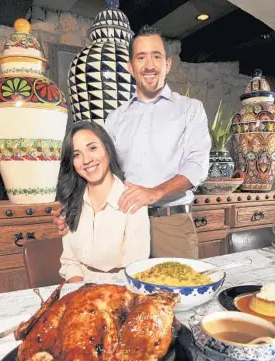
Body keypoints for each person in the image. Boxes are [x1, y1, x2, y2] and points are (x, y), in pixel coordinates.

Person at [54, 25, 211, 259]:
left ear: (167, 64)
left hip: (172, 225)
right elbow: (101, 171)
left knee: (177, 294)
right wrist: (74, 208)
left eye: (156, 56)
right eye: (141, 57)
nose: (149, 65)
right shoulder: (115, 118)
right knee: (124, 293)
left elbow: (197, 166)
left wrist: (155, 193)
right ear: (130, 67)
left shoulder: (190, 109)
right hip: (122, 224)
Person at [56, 120, 150, 283]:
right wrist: (80, 291)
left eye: (92, 148)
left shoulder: (133, 201)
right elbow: (70, 263)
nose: (86, 160)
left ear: (107, 148)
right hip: (79, 287)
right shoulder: (72, 201)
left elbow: (135, 269)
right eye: (76, 154)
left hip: (119, 291)